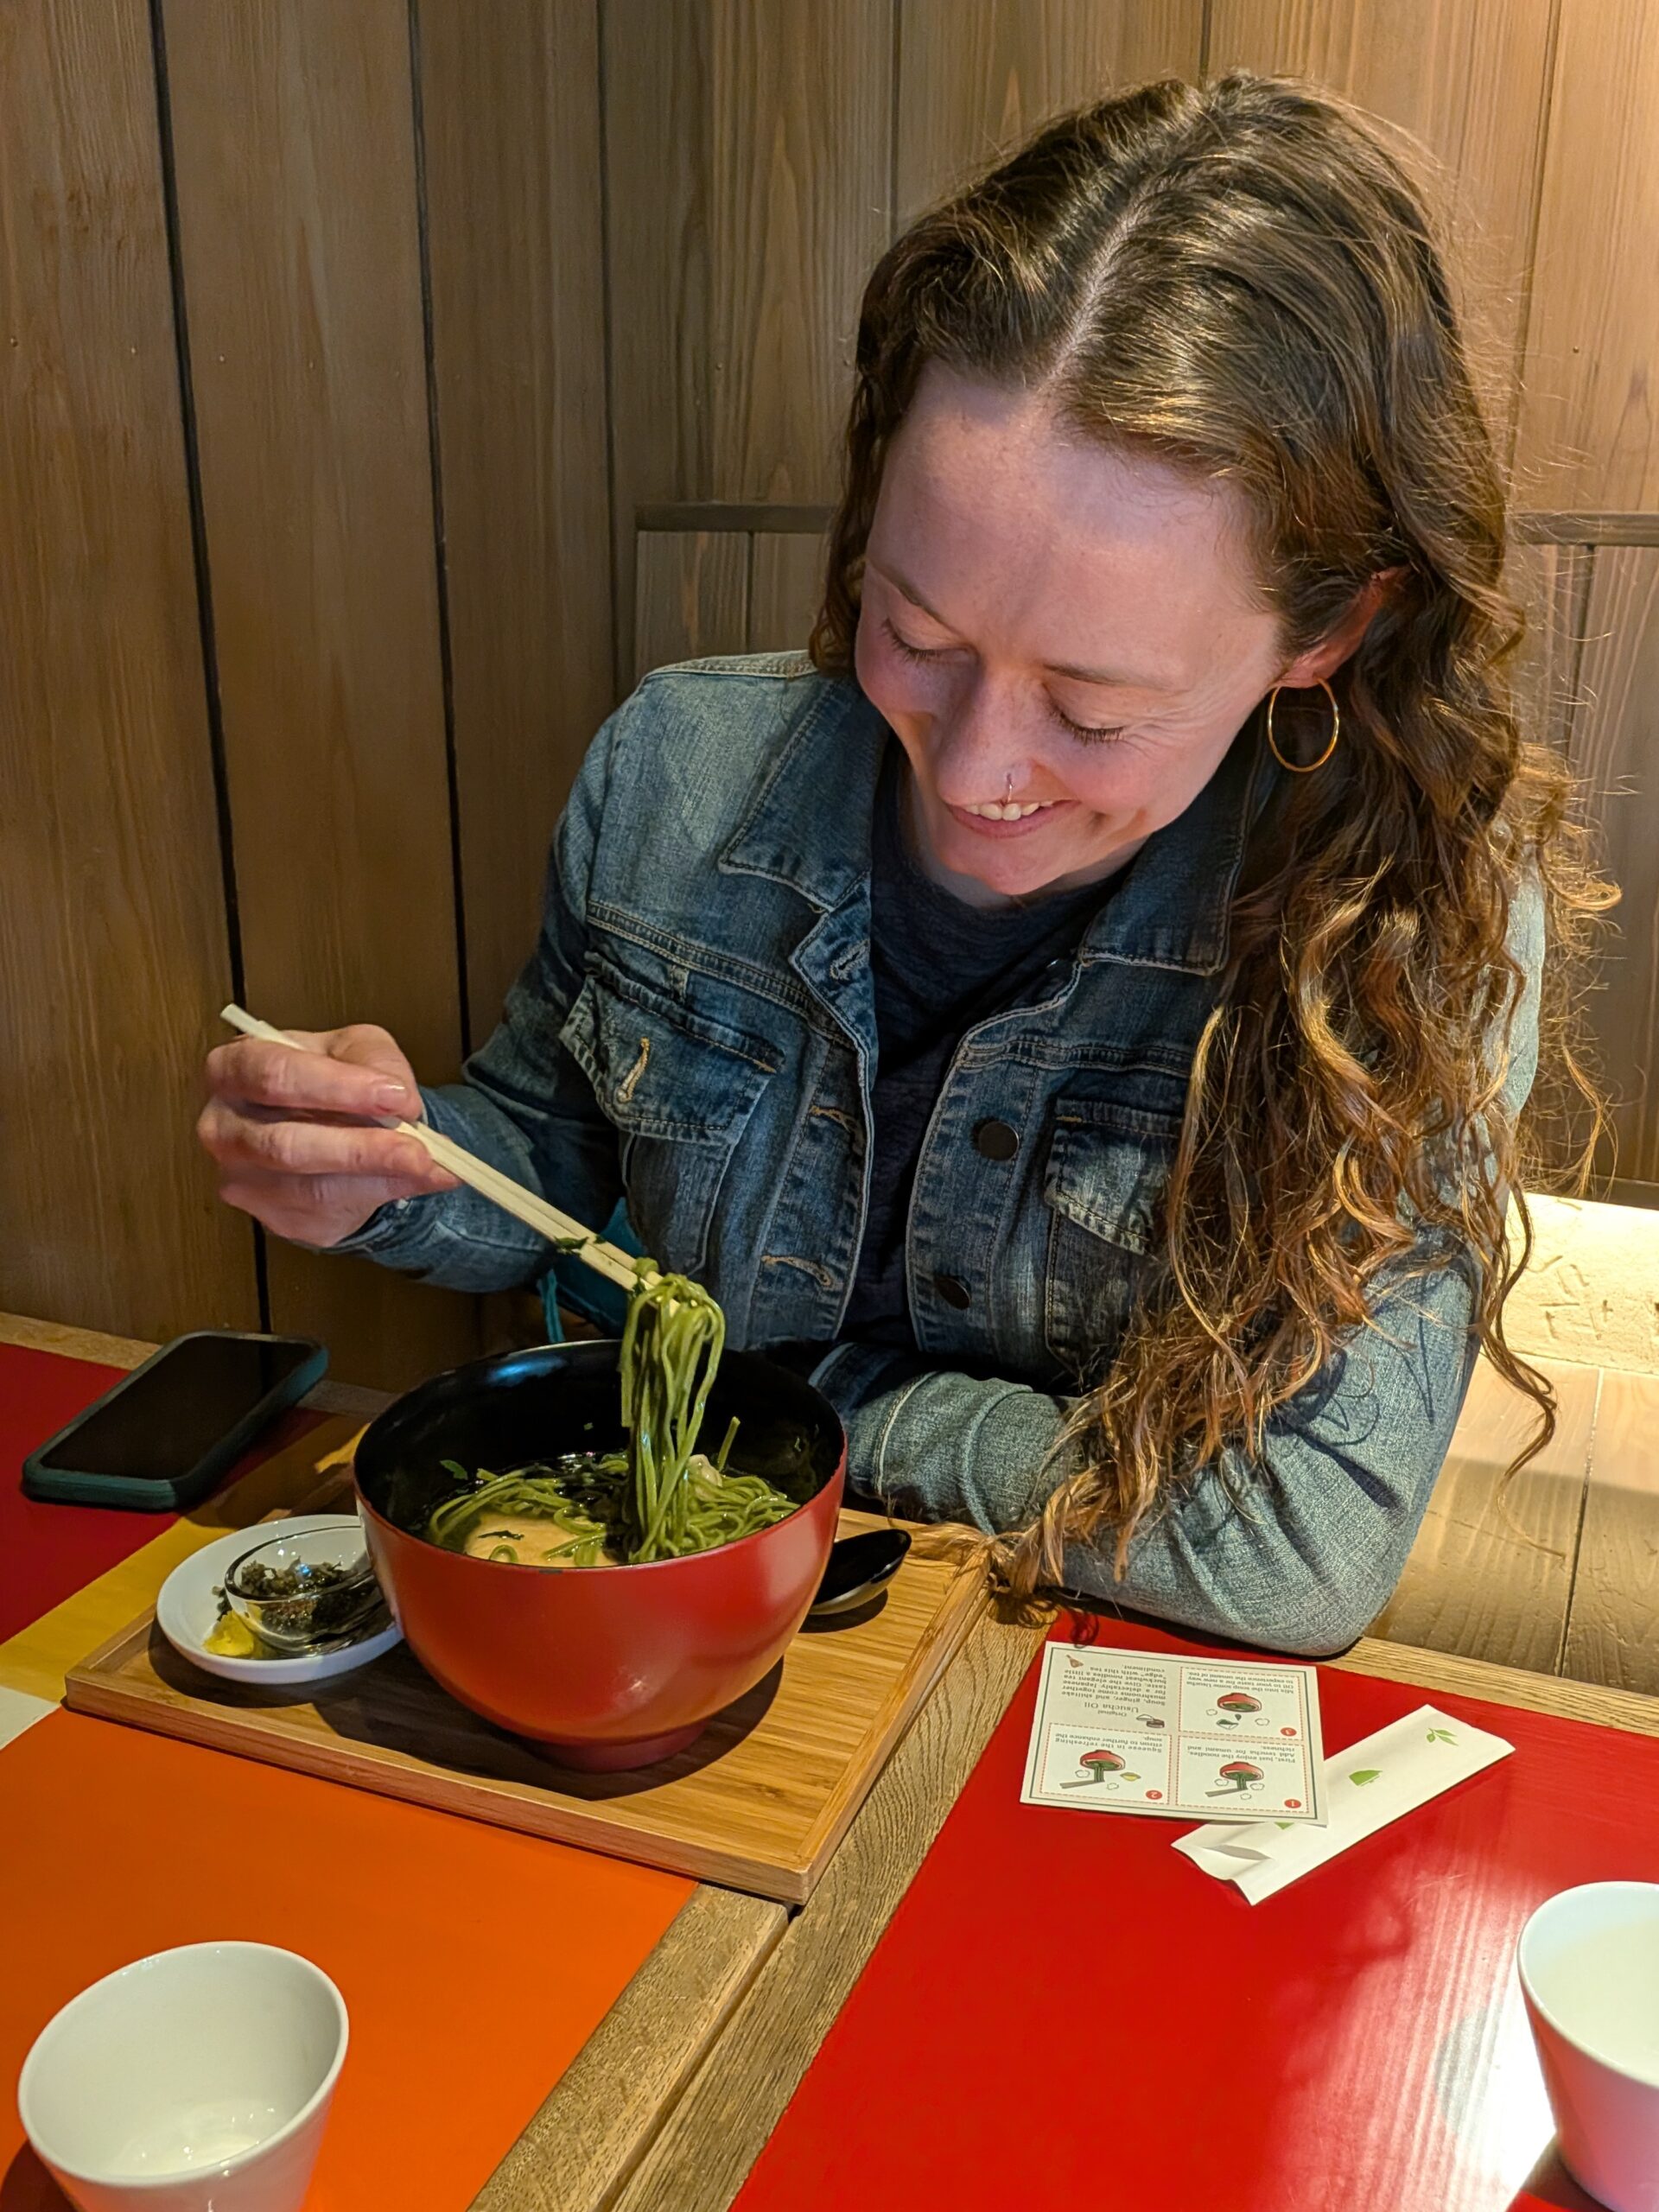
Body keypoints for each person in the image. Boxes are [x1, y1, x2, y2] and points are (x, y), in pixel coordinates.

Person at [197, 75, 1608, 1656]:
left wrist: (821, 1406)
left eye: (1095, 708)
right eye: (915, 632)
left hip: (1045, 1674)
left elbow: (1294, 1543)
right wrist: (390, 1171)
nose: (977, 769)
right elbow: (557, 1162)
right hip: (681, 1627)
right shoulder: (677, 771)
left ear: (1330, 634)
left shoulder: (1399, 922)